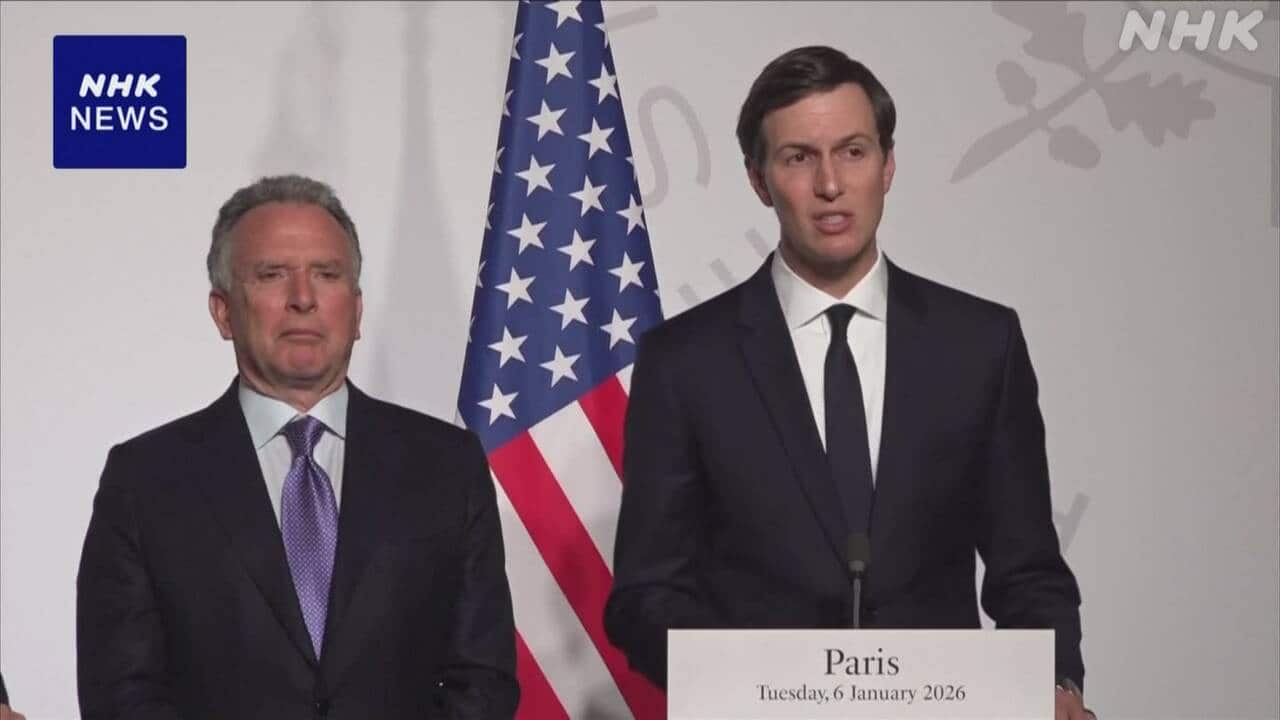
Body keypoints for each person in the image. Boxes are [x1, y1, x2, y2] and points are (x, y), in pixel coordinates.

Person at [604, 46, 1094, 719]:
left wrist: (1056, 682)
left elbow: (1028, 569)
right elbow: (646, 595)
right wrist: (754, 687)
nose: (830, 184)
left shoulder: (980, 344)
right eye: (798, 158)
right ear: (758, 179)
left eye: (853, 152)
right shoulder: (685, 361)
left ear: (887, 165)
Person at [76, 175, 519, 719]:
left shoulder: (447, 465)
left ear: (356, 311)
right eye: (272, 275)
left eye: (327, 275)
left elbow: (483, 680)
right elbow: (122, 696)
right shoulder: (145, 480)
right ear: (222, 311)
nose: (303, 299)